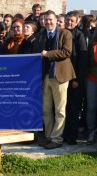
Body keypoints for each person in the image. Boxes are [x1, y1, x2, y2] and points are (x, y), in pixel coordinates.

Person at [33, 10, 75, 149]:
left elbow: (66, 52)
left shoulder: (65, 33)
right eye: (45, 20)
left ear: (56, 20)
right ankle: (48, 136)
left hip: (60, 76)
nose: (48, 22)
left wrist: (48, 54)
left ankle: (57, 138)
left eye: (50, 19)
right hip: (45, 76)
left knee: (60, 110)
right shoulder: (40, 36)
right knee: (46, 109)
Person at [62, 11, 88, 145]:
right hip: (63, 76)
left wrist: (77, 79)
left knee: (73, 108)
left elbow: (82, 59)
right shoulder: (61, 33)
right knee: (64, 108)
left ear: (77, 22)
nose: (69, 23)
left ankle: (72, 137)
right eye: (67, 20)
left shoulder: (79, 35)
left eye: (72, 21)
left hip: (75, 78)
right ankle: (65, 134)